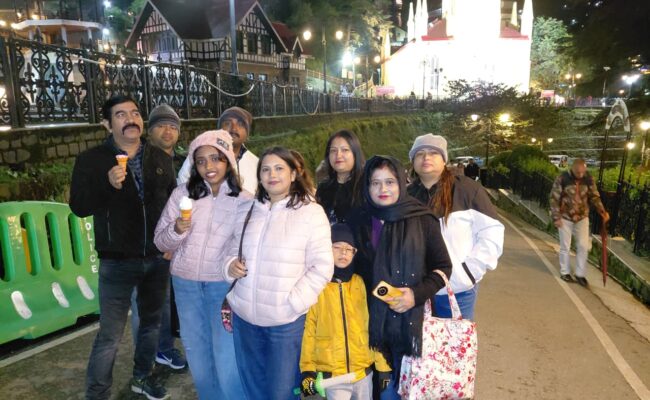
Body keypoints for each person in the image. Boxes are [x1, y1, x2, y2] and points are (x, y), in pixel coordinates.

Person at [70, 95, 176, 400]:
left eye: (135, 113)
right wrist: (107, 184)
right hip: (116, 260)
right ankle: (97, 393)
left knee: (151, 326)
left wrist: (171, 244)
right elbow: (79, 206)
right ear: (107, 124)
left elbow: (172, 204)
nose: (131, 119)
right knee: (110, 335)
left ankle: (142, 377)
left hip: (156, 258)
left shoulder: (160, 158)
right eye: (120, 114)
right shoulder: (91, 160)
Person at [224, 147, 334, 400]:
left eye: (279, 168)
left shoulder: (310, 212)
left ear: (294, 174)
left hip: (285, 323)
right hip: (245, 317)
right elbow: (231, 248)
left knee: (281, 393)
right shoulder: (248, 210)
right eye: (265, 169)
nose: (272, 175)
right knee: (253, 389)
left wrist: (294, 302)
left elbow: (322, 266)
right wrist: (229, 265)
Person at [154, 130, 251, 399]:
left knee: (226, 356)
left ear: (228, 160)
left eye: (216, 158)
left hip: (222, 287)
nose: (209, 166)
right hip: (185, 285)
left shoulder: (244, 199)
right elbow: (160, 242)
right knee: (197, 354)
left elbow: (242, 244)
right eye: (201, 160)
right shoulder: (182, 194)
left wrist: (233, 265)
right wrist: (177, 229)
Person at [347, 155, 452, 400]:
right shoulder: (358, 220)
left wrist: (415, 295)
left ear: (401, 183)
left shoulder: (422, 218)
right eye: (375, 183)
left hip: (407, 322)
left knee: (400, 390)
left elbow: (443, 267)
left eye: (390, 182)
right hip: (365, 321)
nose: (383, 189)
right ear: (367, 186)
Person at [407, 134, 504, 320]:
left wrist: (469, 271)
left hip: (457, 290)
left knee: (454, 338)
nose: (426, 157)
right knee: (416, 339)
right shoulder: (407, 196)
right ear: (413, 161)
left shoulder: (467, 190)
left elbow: (492, 232)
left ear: (444, 159)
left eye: (433, 153)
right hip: (417, 290)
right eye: (420, 153)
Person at [299, 223, 391, 400]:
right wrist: (307, 370)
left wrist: (383, 367)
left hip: (363, 374)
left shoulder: (360, 283)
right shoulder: (318, 285)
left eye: (349, 249)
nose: (344, 253)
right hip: (334, 377)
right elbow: (309, 330)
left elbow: (373, 326)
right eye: (337, 247)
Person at [130, 103, 187, 371]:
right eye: (161, 126)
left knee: (165, 302)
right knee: (147, 306)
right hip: (145, 247)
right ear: (149, 130)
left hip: (171, 244)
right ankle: (146, 360)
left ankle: (163, 348)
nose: (167, 131)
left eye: (173, 126)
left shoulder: (180, 161)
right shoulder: (138, 161)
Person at [550, 158, 609, 286]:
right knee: (565, 246)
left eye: (583, 172)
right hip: (565, 217)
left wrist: (602, 211)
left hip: (582, 217)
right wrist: (556, 217)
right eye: (578, 172)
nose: (580, 175)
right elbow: (554, 198)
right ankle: (565, 272)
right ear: (573, 168)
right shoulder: (562, 178)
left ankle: (580, 274)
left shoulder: (588, 179)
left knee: (583, 246)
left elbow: (594, 196)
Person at [177, 106, 258, 193]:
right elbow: (182, 187)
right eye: (227, 123)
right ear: (219, 129)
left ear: (247, 134)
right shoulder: (199, 156)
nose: (234, 128)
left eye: (240, 124)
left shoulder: (255, 163)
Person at [316, 130, 366, 224]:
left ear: (355, 153)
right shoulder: (323, 188)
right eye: (333, 150)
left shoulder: (367, 185)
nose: (338, 155)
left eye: (345, 150)